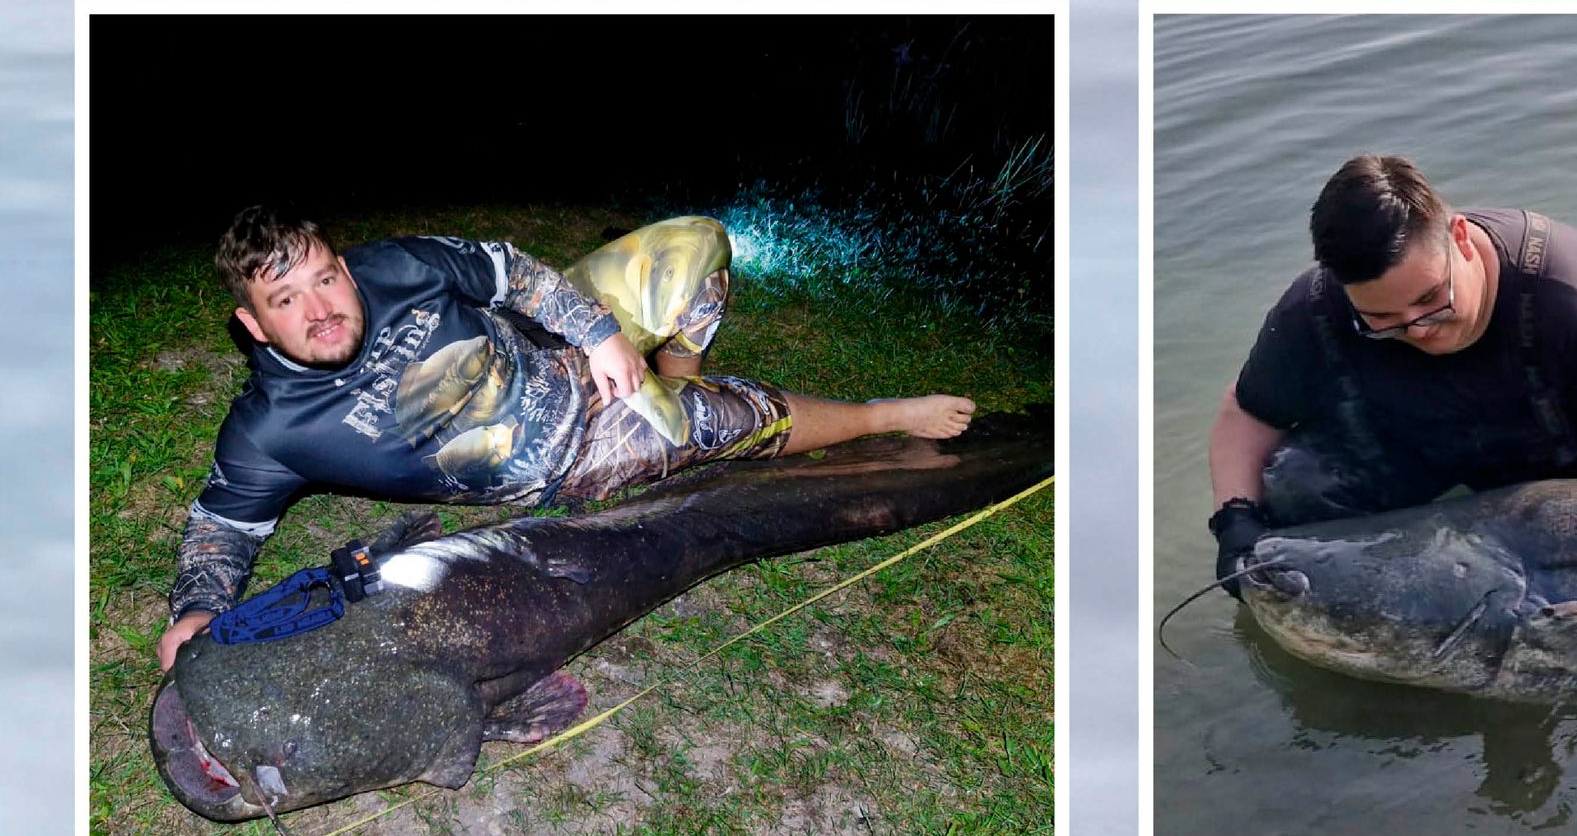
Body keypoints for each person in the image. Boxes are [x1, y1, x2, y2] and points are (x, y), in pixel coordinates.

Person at [159, 208, 978, 671]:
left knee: (695, 243)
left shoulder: (394, 265)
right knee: (733, 422)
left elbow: (509, 273)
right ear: (252, 323)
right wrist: (197, 611)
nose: (322, 307)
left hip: (556, 347)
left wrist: (595, 332)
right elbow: (223, 526)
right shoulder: (272, 428)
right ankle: (878, 415)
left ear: (342, 262)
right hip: (576, 448)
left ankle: (675, 376)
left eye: (325, 277)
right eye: (287, 300)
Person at [1205, 155, 1577, 593]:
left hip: (1549, 464)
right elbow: (1248, 414)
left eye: (1430, 300)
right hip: (1417, 447)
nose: (1419, 328)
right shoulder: (1315, 308)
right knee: (1289, 481)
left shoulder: (1573, 295)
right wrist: (1235, 523)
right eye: (1383, 318)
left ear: (1460, 238)